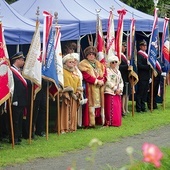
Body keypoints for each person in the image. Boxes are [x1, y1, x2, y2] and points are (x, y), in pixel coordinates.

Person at [78, 46, 106, 128]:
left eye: (93, 54)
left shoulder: (98, 64)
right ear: (86, 55)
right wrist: (96, 81)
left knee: (99, 104)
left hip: (99, 87)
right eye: (89, 54)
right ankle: (89, 122)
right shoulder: (83, 64)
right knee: (90, 104)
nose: (91, 56)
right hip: (89, 87)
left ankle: (98, 120)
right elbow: (86, 76)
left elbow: (104, 74)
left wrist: (102, 81)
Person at [60, 53, 83, 133]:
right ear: (65, 63)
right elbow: (61, 83)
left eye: (73, 62)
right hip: (66, 95)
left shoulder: (75, 72)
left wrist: (78, 91)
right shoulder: (62, 71)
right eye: (70, 62)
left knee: (73, 112)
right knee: (65, 112)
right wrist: (66, 91)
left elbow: (79, 83)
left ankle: (72, 127)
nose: (72, 64)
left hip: (75, 96)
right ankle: (64, 127)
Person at [10, 51, 28, 145]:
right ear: (17, 60)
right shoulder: (11, 71)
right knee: (15, 120)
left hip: (22, 99)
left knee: (20, 119)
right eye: (22, 60)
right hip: (16, 100)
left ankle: (19, 135)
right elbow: (12, 86)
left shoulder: (19, 71)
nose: (23, 62)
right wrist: (15, 99)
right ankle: (14, 137)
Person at [104, 55, 124, 127]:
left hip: (117, 92)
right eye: (113, 62)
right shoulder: (108, 71)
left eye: (116, 62)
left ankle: (116, 122)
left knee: (117, 108)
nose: (114, 63)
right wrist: (115, 88)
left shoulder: (118, 71)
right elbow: (108, 81)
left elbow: (121, 81)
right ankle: (109, 122)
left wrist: (120, 89)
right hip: (110, 91)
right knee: (110, 108)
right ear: (110, 63)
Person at [72, 53, 88, 127]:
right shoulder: (70, 70)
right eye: (73, 60)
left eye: (76, 61)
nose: (75, 62)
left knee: (79, 107)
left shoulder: (78, 70)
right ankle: (73, 124)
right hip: (73, 90)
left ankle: (78, 123)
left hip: (80, 89)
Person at [136, 40, 151, 113]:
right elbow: (139, 65)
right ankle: (138, 108)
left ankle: (143, 107)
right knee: (140, 93)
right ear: (140, 46)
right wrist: (147, 67)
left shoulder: (146, 55)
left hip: (147, 76)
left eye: (145, 46)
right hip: (142, 76)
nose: (145, 47)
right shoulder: (139, 54)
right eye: (143, 46)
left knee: (145, 93)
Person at [119, 42, 131, 116]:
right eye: (124, 46)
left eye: (126, 47)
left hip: (127, 76)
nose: (125, 48)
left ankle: (125, 108)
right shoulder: (119, 56)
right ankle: (122, 109)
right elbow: (119, 67)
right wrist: (127, 66)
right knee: (123, 94)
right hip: (122, 76)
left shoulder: (124, 56)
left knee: (126, 93)